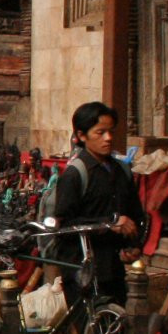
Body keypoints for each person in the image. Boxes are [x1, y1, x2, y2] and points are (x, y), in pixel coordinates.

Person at [47, 100, 146, 304]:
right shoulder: (75, 174)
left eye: (110, 131)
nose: (108, 138)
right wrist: (109, 223)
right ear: (81, 136)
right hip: (82, 269)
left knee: (115, 326)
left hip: (114, 267)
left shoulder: (122, 171)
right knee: (88, 331)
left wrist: (134, 245)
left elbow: (136, 214)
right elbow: (64, 224)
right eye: (100, 133)